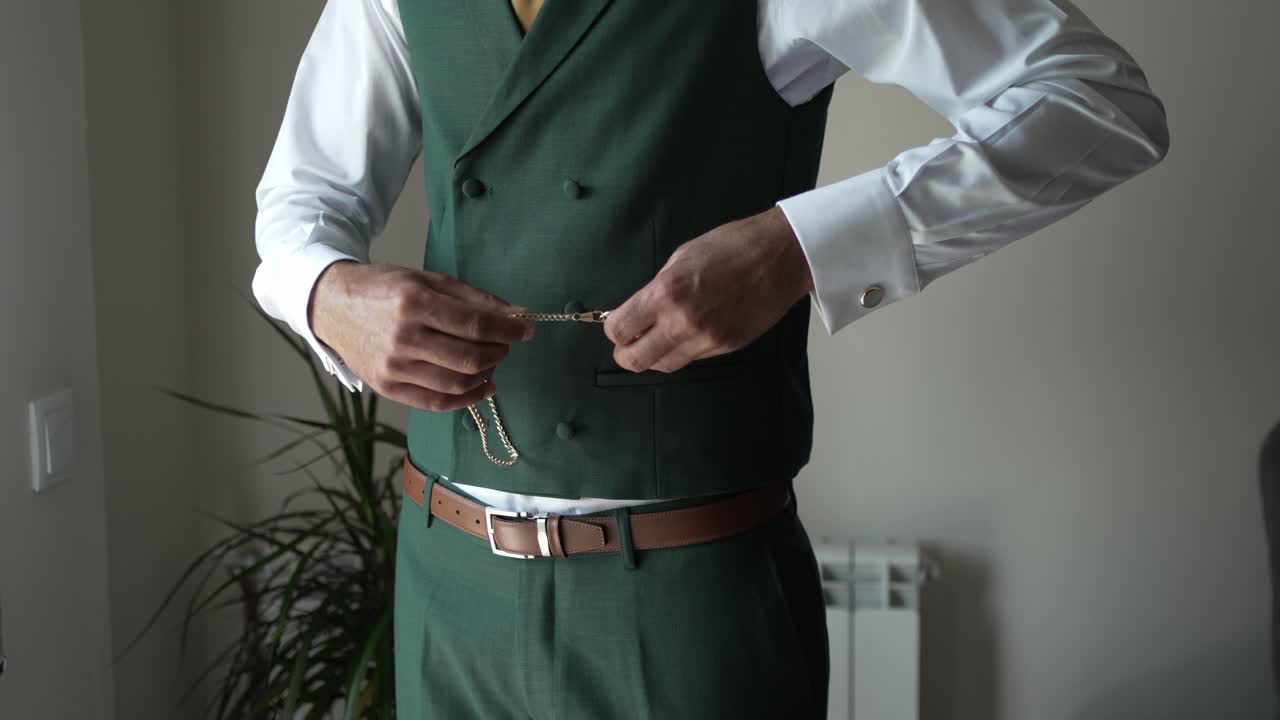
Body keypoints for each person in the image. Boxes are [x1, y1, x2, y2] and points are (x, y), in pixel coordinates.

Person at [253, 1, 1169, 716]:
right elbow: (301, 203)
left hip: (683, 609)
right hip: (446, 595)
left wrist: (797, 247)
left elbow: (1094, 100)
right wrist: (327, 294)